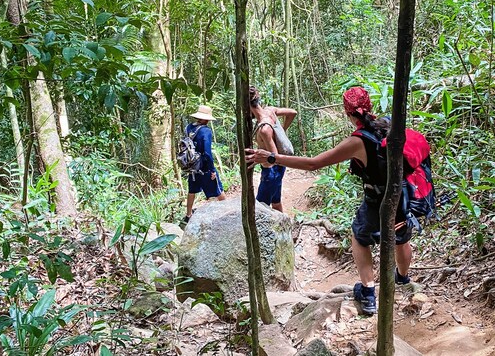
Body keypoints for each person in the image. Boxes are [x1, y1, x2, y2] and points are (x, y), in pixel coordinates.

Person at [245, 86, 430, 316]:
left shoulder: (357, 141)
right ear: (369, 105)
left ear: (347, 112)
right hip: (402, 194)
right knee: (401, 237)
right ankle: (402, 279)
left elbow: (314, 163)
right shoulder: (387, 124)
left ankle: (368, 294)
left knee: (360, 238)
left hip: (377, 201)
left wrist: (272, 157)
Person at [250, 85, 297, 212]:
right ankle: (284, 229)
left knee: (261, 209)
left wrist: (256, 157)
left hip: (272, 172)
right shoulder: (270, 110)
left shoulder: (264, 129)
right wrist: (283, 129)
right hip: (279, 168)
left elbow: (275, 158)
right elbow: (293, 112)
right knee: (276, 202)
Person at [182, 105, 226, 226]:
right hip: (204, 167)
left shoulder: (189, 128)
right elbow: (207, 152)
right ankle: (228, 213)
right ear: (207, 119)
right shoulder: (205, 131)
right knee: (218, 189)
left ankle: (188, 215)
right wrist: (212, 170)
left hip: (192, 166)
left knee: (192, 190)